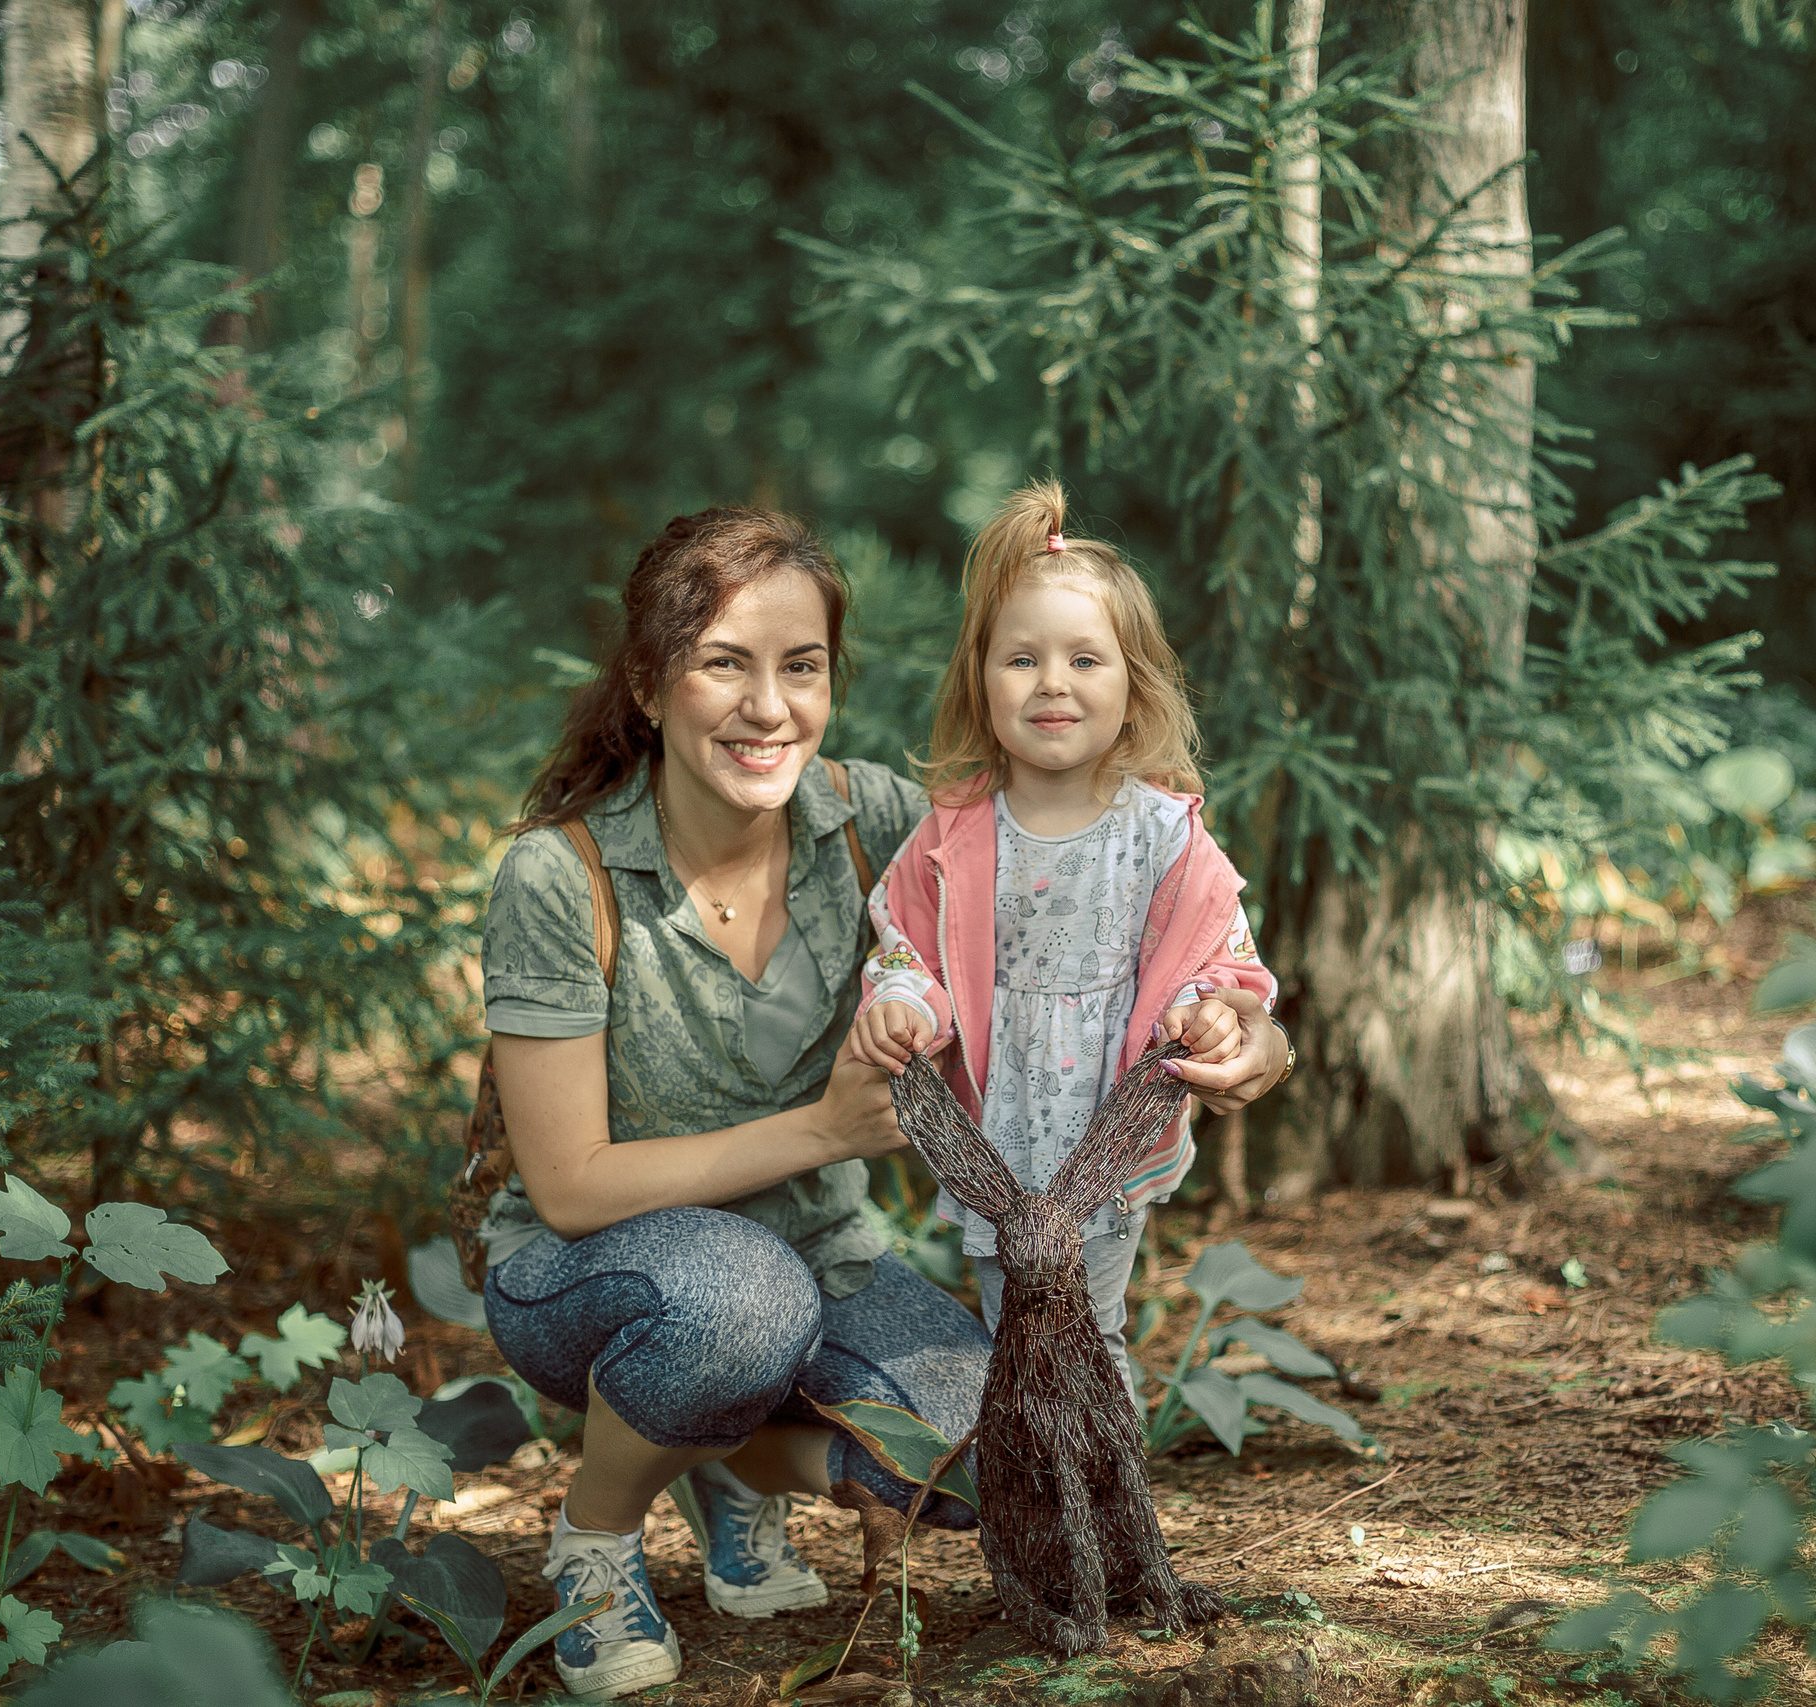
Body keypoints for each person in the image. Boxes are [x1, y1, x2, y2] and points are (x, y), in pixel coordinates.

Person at [476, 506, 1291, 1701]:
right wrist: (820, 1131)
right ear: (649, 686)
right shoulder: (564, 874)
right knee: (736, 1301)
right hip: (587, 1271)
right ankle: (598, 1539)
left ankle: (722, 1464)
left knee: (996, 1452)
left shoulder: (879, 825)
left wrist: (1246, 1033)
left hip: (826, 1257)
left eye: (800, 668)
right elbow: (568, 1185)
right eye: (723, 664)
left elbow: (1101, 856)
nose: (768, 708)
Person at [844, 479, 1286, 1397]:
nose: (1053, 681)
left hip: (1105, 1128)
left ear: (1134, 686)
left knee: (1094, 1323)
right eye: (1021, 660)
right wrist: (898, 1001)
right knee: (1016, 1328)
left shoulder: (1163, 833)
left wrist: (1209, 1013)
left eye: (1086, 659)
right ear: (981, 679)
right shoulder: (956, 832)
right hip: (999, 1133)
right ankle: (1030, 1513)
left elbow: (1219, 955)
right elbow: (906, 941)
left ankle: (1109, 1513)